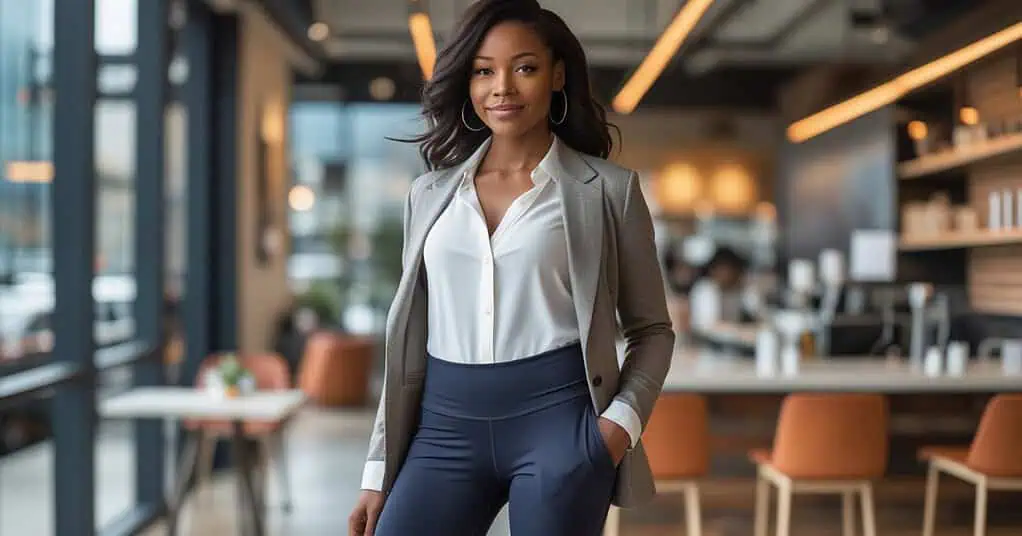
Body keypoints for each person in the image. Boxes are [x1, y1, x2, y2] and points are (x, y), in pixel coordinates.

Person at [348, 1, 674, 534]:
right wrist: (377, 471)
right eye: (483, 70)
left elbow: (652, 329)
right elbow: (406, 339)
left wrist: (615, 429)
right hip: (443, 424)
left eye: (524, 68)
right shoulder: (428, 194)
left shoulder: (609, 191)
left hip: (560, 424)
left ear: (557, 76)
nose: (502, 87)